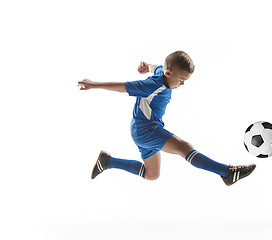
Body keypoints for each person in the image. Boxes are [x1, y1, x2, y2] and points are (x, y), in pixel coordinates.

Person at [78, 50, 255, 186]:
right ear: (169, 73)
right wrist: (93, 85)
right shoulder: (152, 85)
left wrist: (146, 65)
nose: (182, 84)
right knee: (183, 147)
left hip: (142, 129)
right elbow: (122, 87)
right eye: (181, 80)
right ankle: (226, 173)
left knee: (151, 174)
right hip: (146, 129)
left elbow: (156, 67)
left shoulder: (161, 73)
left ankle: (108, 162)